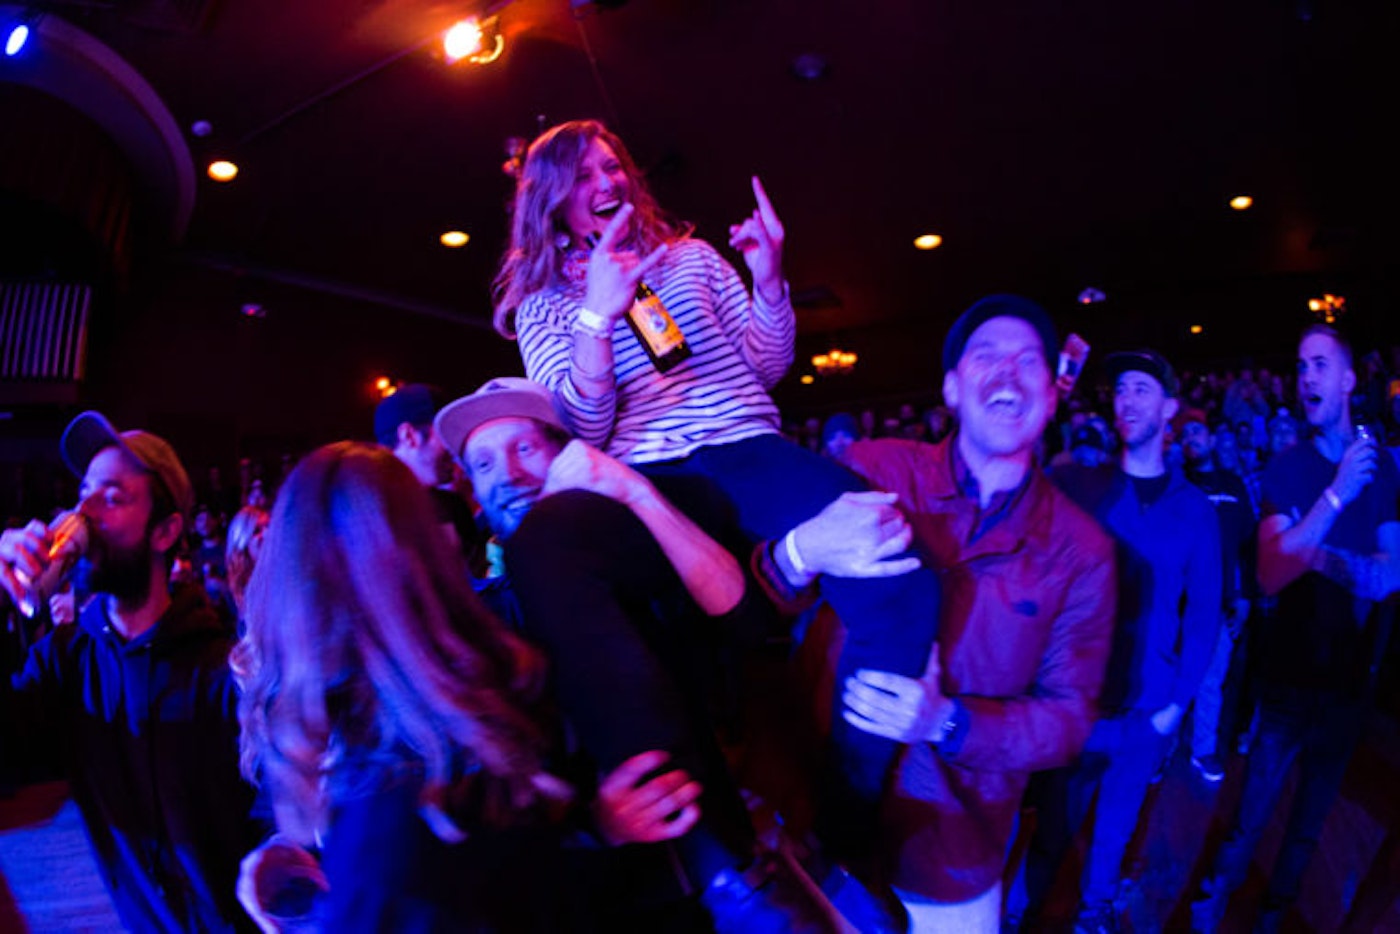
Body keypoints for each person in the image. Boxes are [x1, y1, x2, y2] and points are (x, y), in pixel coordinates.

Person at [493, 119, 941, 870]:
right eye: (583, 176)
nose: (606, 182)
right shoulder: (543, 305)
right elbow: (584, 429)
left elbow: (767, 363)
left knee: (901, 569)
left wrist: (769, 279)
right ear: (551, 202)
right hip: (648, 472)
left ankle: (847, 814)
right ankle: (712, 852)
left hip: (744, 444)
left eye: (612, 167)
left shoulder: (692, 259)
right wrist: (598, 313)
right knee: (675, 635)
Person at [757, 296, 1116, 932]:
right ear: (951, 389)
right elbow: (763, 597)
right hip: (812, 813)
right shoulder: (873, 469)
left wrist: (946, 722)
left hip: (948, 848)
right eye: (986, 356)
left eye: (1027, 361)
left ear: (1052, 394)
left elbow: (1067, 719)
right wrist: (798, 554)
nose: (1006, 373)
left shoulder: (1081, 551)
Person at [434, 377, 838, 931]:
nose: (508, 474)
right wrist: (592, 826)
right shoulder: (475, 615)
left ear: (569, 453)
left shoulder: (630, 556)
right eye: (484, 464)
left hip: (719, 865)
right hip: (595, 888)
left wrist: (633, 492)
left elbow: (744, 622)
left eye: (525, 447)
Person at [0, 412, 261, 932]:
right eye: (84, 493)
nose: (83, 513)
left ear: (165, 531)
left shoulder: (223, 671)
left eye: (112, 497)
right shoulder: (65, 663)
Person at [1191, 325, 1400, 932]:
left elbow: (1389, 575)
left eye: (1319, 365)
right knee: (1250, 816)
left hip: (1348, 687)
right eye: (1301, 366)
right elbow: (1270, 573)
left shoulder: (1382, 469)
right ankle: (1211, 903)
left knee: (1308, 828)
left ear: (1349, 379)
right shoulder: (1287, 467)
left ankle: (1271, 918)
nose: (1306, 377)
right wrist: (1335, 498)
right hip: (1288, 682)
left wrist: (1312, 550)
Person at [1027, 350, 1221, 932]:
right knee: (1053, 827)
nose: (1127, 400)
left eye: (1141, 389)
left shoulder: (1194, 510)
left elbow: (1204, 615)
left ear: (1169, 408)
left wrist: (1177, 706)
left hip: (1147, 707)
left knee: (1116, 828)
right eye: (1120, 389)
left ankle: (1094, 914)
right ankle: (1020, 916)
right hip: (1078, 700)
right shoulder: (1083, 487)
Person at [1178, 408, 1257, 783]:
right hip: (1178, 602)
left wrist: (1244, 596)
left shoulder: (1233, 484)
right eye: (1185, 434)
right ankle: (1159, 752)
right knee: (1172, 677)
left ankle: (1203, 749)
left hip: (1222, 601)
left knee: (1212, 679)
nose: (1191, 438)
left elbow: (1246, 544)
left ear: (1211, 439)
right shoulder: (1175, 485)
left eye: (1198, 431)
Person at [373, 382, 486, 572]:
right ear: (409, 436)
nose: (454, 447)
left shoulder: (452, 506)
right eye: (446, 432)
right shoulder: (374, 519)